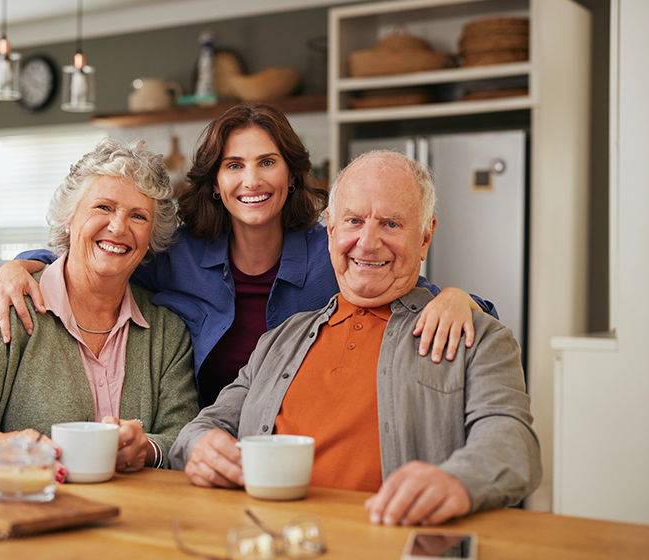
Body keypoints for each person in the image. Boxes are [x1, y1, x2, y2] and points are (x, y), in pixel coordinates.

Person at [0, 103, 496, 408]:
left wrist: (456, 297)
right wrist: (22, 264)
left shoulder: (331, 252)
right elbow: (101, 252)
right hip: (203, 445)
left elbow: (408, 287)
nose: (251, 180)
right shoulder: (177, 253)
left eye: (267, 162)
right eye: (233, 166)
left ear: (290, 176)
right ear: (217, 182)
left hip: (296, 443)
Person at [168, 150, 541, 527]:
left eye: (391, 224)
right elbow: (203, 427)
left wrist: (458, 481)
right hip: (267, 541)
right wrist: (199, 446)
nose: (367, 242)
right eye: (354, 221)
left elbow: (513, 444)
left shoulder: (478, 338)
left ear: (425, 236)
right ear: (330, 230)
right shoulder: (280, 340)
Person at [0, 139, 198, 479]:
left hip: (134, 521)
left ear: (152, 236)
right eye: (103, 207)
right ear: (69, 219)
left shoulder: (168, 331)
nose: (119, 227)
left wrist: (147, 449)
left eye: (138, 215)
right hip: (27, 509)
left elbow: (183, 437)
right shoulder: (12, 309)